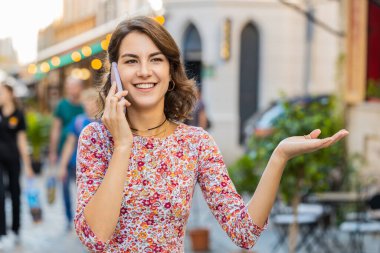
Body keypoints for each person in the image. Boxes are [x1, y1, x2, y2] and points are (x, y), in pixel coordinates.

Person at [74, 16, 348, 252]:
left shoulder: (195, 143)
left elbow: (244, 232)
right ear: (116, 73)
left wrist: (279, 156)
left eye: (155, 59)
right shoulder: (96, 139)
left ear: (170, 72)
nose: (144, 71)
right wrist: (123, 145)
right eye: (131, 61)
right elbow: (94, 238)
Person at [58, 87, 98, 230]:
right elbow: (69, 144)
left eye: (92, 101)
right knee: (73, 193)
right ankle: (72, 219)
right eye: (86, 101)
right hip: (75, 165)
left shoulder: (104, 121)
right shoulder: (78, 121)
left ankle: (91, 223)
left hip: (96, 168)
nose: (89, 104)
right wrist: (62, 166)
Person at [0, 82, 35, 248]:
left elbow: (21, 141)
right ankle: (1, 231)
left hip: (13, 159)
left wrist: (27, 165)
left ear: (9, 93)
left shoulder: (18, 114)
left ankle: (16, 229)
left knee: (15, 193)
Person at [48, 76, 84, 228]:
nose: (71, 89)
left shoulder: (85, 105)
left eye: (74, 86)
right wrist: (53, 151)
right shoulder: (62, 105)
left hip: (82, 153)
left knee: (82, 186)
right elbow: (55, 129)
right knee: (64, 185)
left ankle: (83, 216)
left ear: (80, 87)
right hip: (65, 151)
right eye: (69, 86)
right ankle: (69, 218)